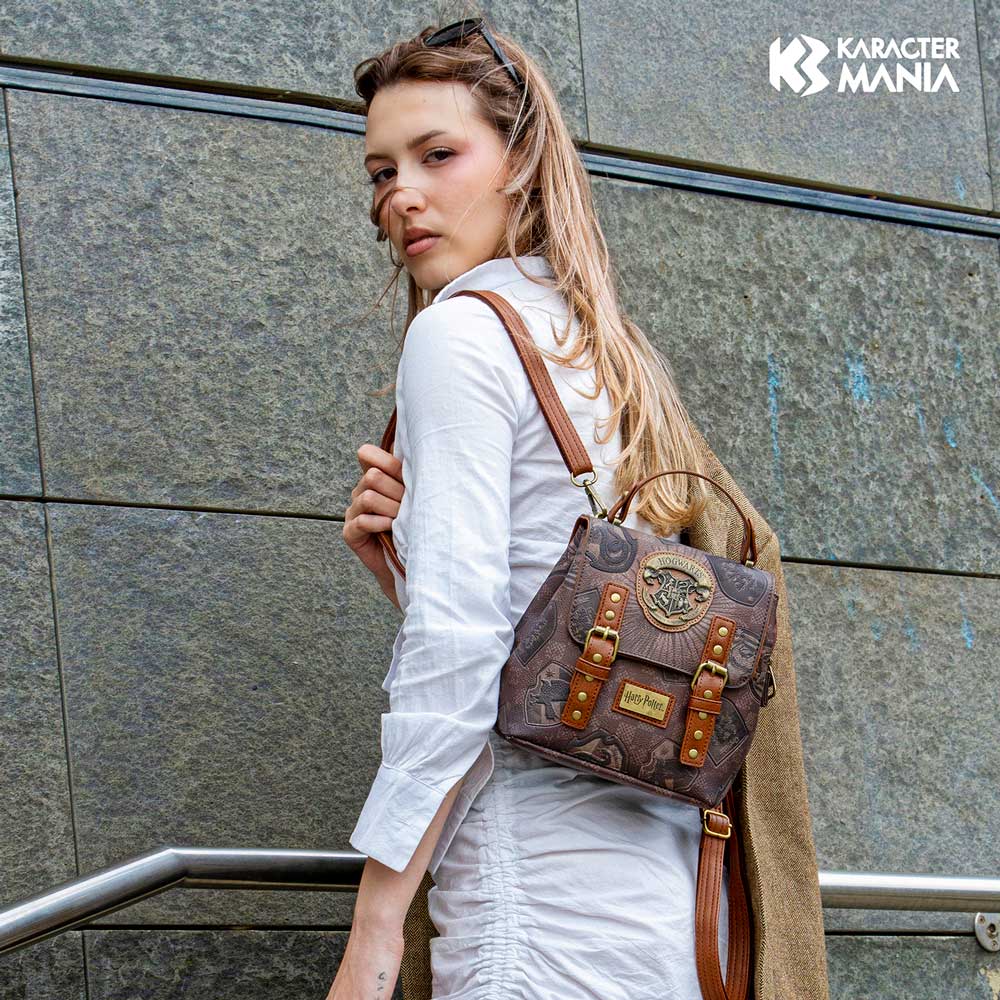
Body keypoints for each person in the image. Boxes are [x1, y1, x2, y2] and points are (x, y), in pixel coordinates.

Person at [332, 17, 829, 1000]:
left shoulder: (460, 335)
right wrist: (401, 567)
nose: (403, 195)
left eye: (438, 155)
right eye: (382, 172)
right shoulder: (604, 350)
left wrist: (375, 930)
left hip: (535, 902)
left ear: (522, 160)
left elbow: (458, 651)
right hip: (670, 915)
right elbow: (582, 639)